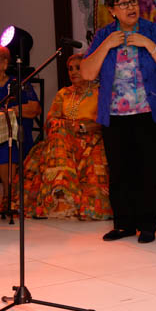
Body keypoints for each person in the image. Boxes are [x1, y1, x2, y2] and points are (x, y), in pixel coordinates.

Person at [81, 0, 156, 243]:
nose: (131, 7)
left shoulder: (152, 31)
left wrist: (148, 45)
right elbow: (87, 73)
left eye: (133, 1)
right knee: (120, 171)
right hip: (114, 116)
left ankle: (148, 225)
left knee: (147, 171)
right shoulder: (104, 35)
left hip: (150, 113)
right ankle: (124, 224)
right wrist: (106, 46)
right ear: (112, 11)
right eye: (123, 4)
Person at [21, 54, 111, 220]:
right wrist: (64, 126)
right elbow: (50, 120)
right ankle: (58, 197)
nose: (73, 72)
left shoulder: (100, 92)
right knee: (55, 139)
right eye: (70, 69)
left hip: (89, 138)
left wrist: (81, 127)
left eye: (78, 67)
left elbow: (104, 121)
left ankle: (69, 198)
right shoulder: (63, 93)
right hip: (63, 139)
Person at [0, 45, 41, 209]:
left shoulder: (18, 84)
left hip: (16, 136)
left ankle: (8, 196)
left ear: (4, 63)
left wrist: (13, 110)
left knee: (4, 146)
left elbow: (35, 108)